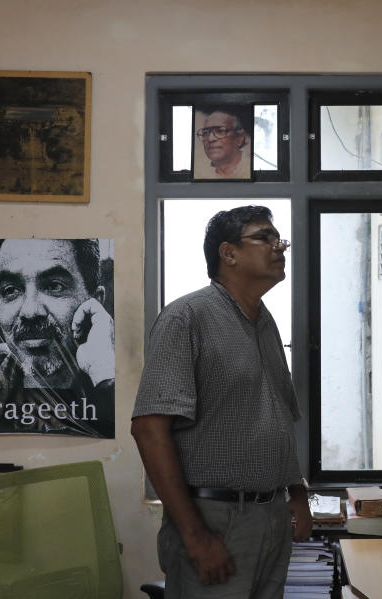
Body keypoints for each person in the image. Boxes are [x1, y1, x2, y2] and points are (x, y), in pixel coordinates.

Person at [132, 206, 311, 598]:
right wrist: (195, 538)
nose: (278, 246)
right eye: (265, 237)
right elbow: (148, 429)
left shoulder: (265, 322)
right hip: (215, 519)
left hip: (271, 516)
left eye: (278, 237)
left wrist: (295, 492)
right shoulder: (186, 318)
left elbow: (277, 415)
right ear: (228, 254)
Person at [0, 238, 114, 437]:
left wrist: (104, 379)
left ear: (94, 304)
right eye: (11, 290)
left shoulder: (116, 377)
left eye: (54, 286)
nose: (30, 312)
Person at [194, 109, 251, 179]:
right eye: (206, 132)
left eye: (220, 131)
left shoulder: (250, 169)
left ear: (239, 138)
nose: (210, 138)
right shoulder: (199, 174)